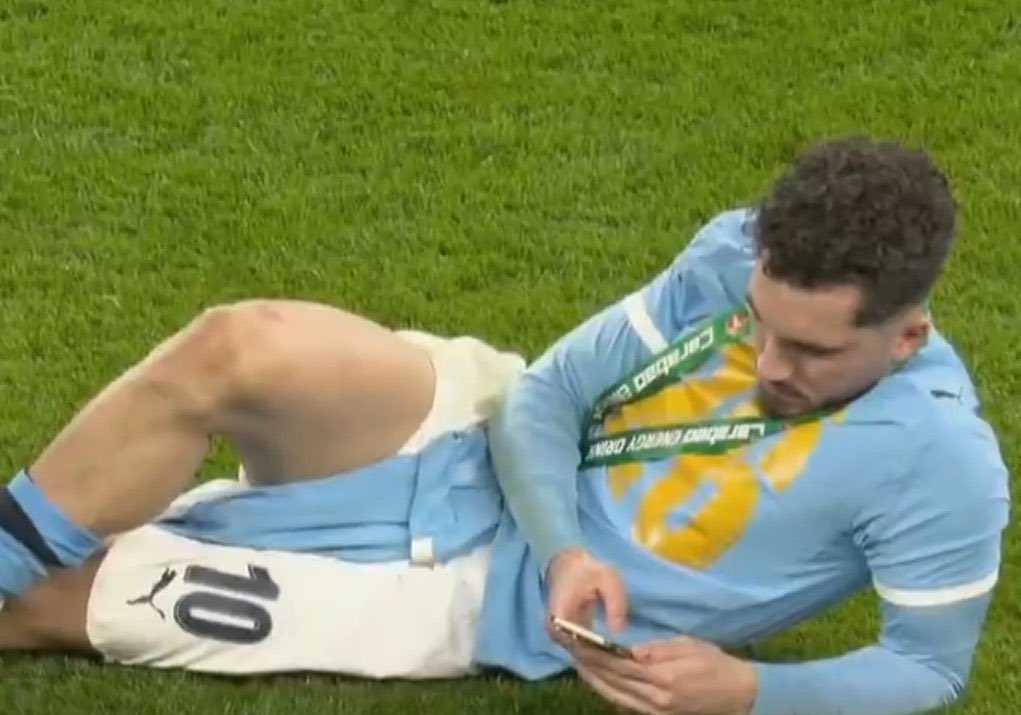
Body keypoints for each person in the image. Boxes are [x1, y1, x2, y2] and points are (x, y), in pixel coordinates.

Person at [0, 137, 1009, 715]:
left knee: (59, 600)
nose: (769, 364)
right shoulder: (730, 254)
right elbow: (546, 397)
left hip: (475, 594)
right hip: (475, 431)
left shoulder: (939, 461)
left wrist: (747, 690)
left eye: (813, 352)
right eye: (760, 324)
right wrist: (567, 544)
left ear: (907, 334)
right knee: (240, 344)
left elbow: (924, 666)